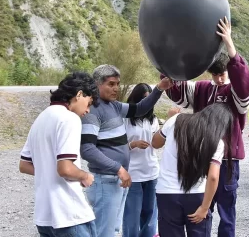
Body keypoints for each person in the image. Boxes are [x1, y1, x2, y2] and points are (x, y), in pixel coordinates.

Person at [161, 17, 249, 237]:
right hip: (202, 158)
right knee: (203, 208)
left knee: (227, 209)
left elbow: (243, 83)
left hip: (228, 160)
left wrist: (229, 44)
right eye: (215, 74)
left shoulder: (236, 93)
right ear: (209, 73)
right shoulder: (201, 88)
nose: (220, 79)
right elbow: (178, 91)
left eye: (223, 74)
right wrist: (171, 58)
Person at [80, 65, 173, 237]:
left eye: (117, 84)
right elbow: (87, 150)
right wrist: (118, 168)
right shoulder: (92, 111)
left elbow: (139, 109)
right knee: (104, 232)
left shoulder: (113, 106)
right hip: (105, 181)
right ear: (96, 84)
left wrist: (159, 89)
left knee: (113, 230)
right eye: (111, 84)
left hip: (116, 180)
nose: (116, 88)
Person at [19, 72, 99, 236]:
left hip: (44, 216)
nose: (88, 110)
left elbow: (24, 165)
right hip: (69, 214)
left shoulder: (41, 118)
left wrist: (47, 170)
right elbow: (65, 169)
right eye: (88, 103)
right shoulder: (69, 118)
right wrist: (84, 176)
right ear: (79, 94)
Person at [152, 103, 233, 237]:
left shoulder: (176, 120)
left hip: (166, 193)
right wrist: (205, 208)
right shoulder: (216, 142)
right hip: (197, 195)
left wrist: (169, 121)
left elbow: (155, 143)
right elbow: (213, 177)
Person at [122, 83, 160, 237]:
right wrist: (133, 144)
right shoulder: (124, 119)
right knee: (131, 215)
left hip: (152, 171)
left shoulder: (153, 120)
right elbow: (116, 148)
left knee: (151, 215)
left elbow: (158, 142)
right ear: (136, 99)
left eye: (150, 99)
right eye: (144, 99)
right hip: (133, 174)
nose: (148, 103)